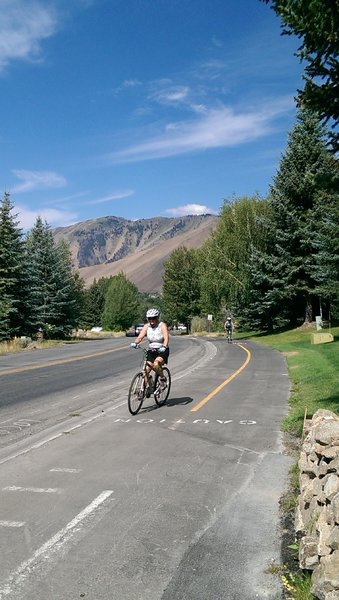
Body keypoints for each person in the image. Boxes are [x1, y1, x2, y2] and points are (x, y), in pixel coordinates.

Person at [134, 308, 169, 391]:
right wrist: (135, 342)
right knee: (146, 370)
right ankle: (145, 389)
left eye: (154, 318)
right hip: (152, 350)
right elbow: (140, 337)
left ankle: (163, 379)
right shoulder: (147, 326)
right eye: (149, 318)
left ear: (157, 317)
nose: (152, 320)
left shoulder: (162, 325)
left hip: (162, 350)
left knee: (156, 364)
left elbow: (166, 338)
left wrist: (164, 346)